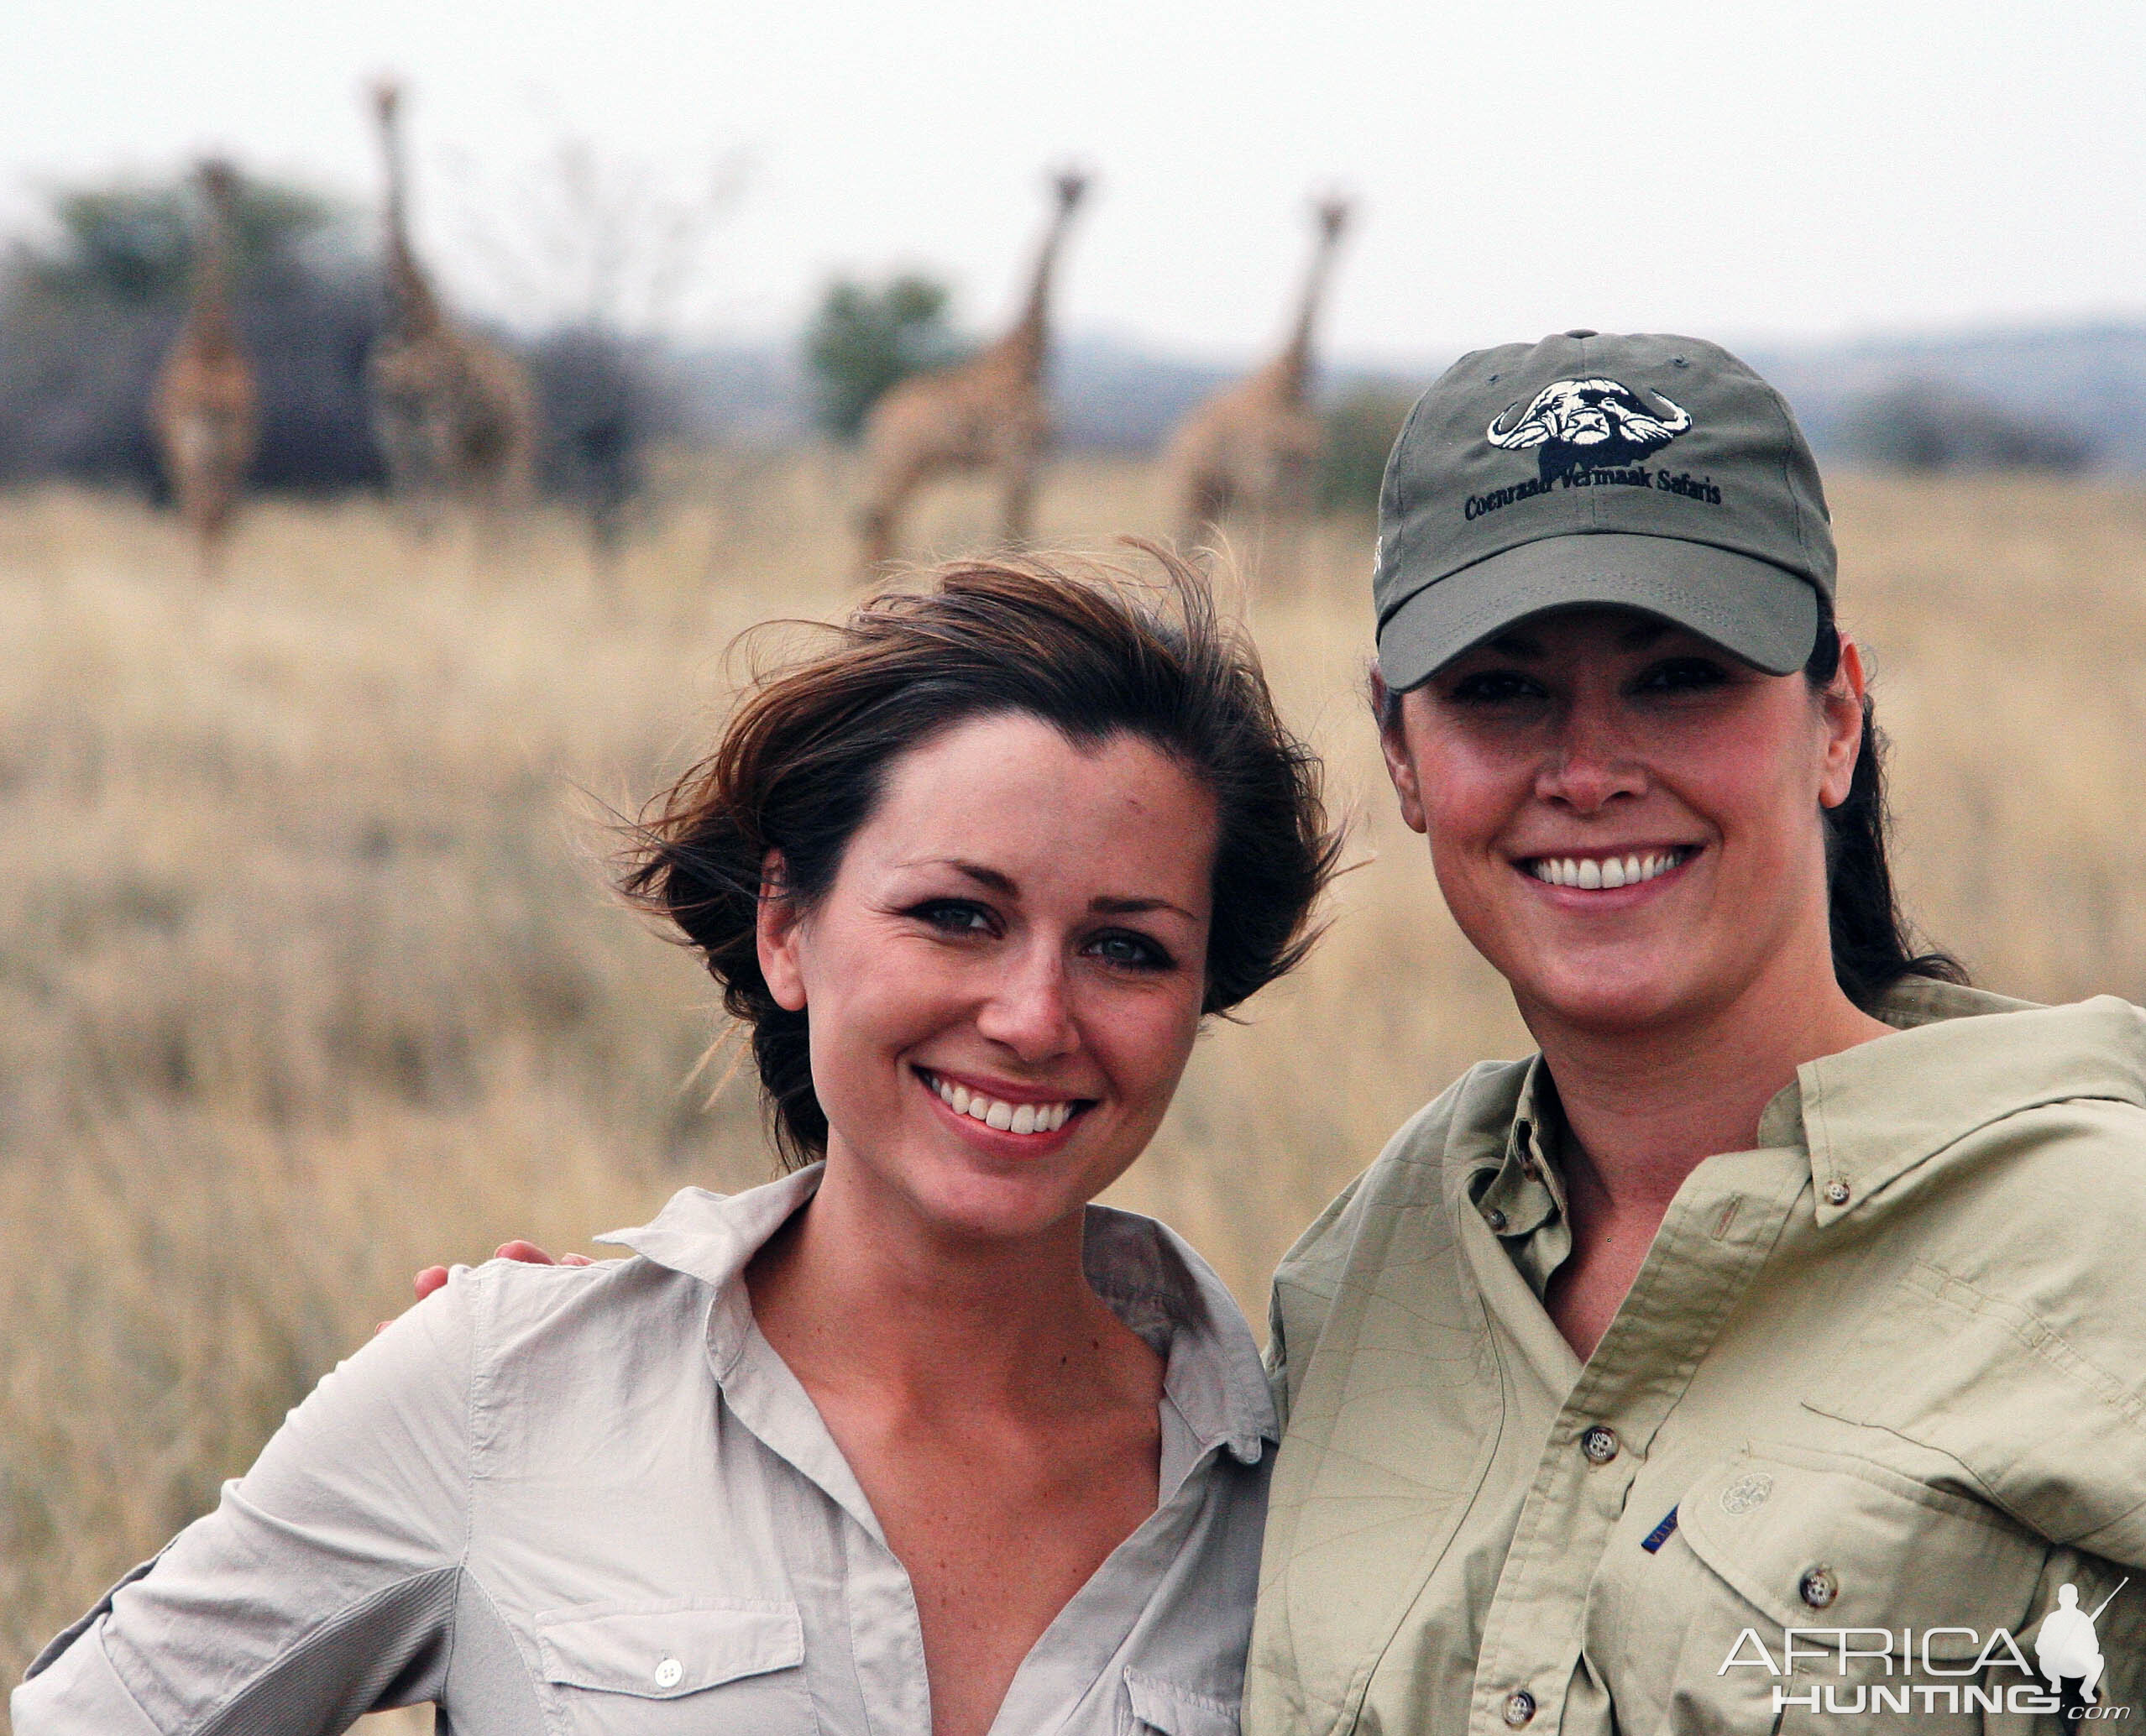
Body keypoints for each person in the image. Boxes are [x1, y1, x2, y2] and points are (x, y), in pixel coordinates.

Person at [14, 552, 1341, 1736]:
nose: (1034, 1016)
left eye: (1127, 948)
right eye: (955, 915)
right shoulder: (502, 1394)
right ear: (786, 928)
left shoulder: (1306, 1494)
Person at [1243, 331, 2146, 1734]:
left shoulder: (2105, 1235)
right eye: (1499, 689)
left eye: (1678, 677)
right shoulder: (1362, 1278)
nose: (1590, 771)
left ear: (1833, 719)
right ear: (1402, 754)